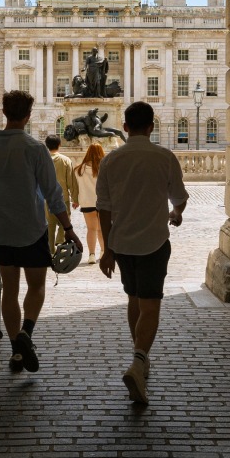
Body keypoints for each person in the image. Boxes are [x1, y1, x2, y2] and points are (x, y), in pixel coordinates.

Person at [0, 91, 80, 373]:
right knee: (36, 286)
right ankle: (26, 332)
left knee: (9, 291)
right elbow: (54, 195)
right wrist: (68, 228)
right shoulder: (35, 149)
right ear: (28, 116)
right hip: (31, 230)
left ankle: (15, 350)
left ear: (3, 112)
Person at [96, 101, 188, 405]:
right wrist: (175, 212)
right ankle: (138, 361)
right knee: (150, 305)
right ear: (151, 126)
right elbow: (179, 198)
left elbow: (104, 209)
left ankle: (140, 357)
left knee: (134, 299)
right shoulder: (164, 157)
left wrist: (107, 250)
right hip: (154, 242)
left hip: (122, 245)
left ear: (124, 127)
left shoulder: (111, 160)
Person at [44, 134, 79, 255]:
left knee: (49, 225)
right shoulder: (65, 160)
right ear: (59, 145)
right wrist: (75, 198)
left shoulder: (43, 159)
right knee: (65, 222)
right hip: (62, 197)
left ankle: (50, 249)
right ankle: (59, 242)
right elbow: (71, 181)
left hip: (45, 198)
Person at [73, 142, 106, 263]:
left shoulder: (79, 169)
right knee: (101, 229)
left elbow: (75, 187)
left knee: (91, 229)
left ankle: (91, 254)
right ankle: (103, 252)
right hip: (103, 202)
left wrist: (75, 200)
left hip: (87, 202)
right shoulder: (105, 168)